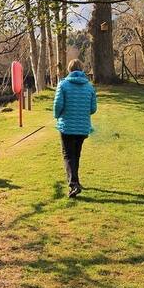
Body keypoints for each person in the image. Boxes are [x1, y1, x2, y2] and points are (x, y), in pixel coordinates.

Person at [52, 58, 97, 198]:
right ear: (82, 69)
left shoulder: (63, 84)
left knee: (67, 155)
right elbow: (93, 108)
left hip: (67, 126)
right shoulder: (89, 86)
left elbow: (58, 105)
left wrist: (57, 116)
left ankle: (73, 184)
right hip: (82, 127)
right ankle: (76, 181)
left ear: (69, 69)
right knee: (76, 155)